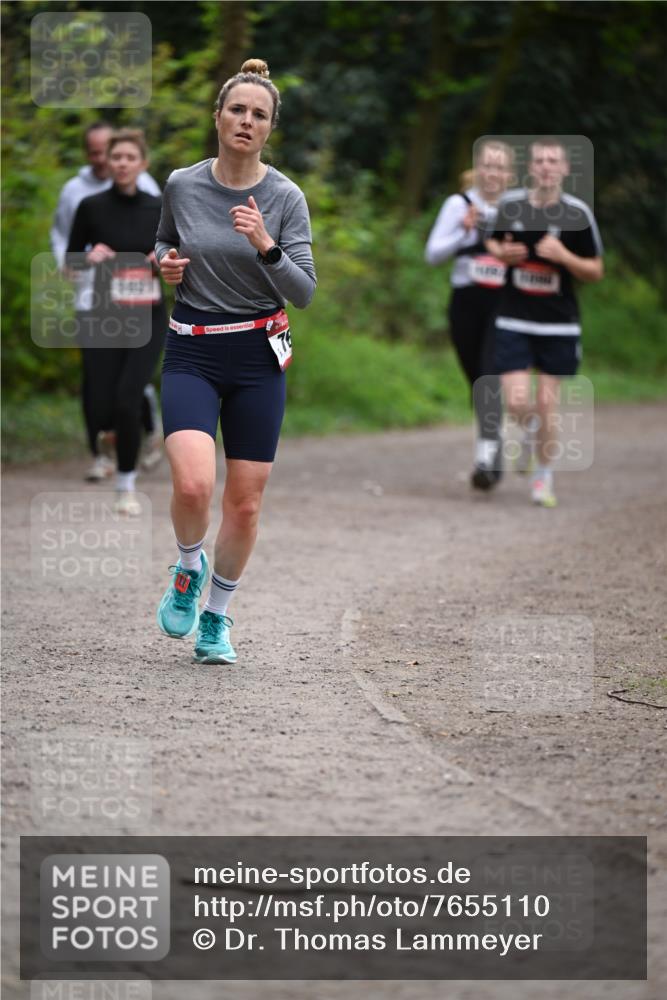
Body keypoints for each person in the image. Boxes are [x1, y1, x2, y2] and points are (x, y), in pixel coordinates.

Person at [154, 58, 316, 665]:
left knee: (244, 503)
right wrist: (164, 263)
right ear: (218, 116)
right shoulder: (182, 184)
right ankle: (188, 565)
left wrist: (265, 246)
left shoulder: (284, 197)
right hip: (192, 347)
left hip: (256, 354)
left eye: (259, 115)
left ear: (271, 128)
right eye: (237, 110)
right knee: (194, 484)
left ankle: (217, 620)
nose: (246, 121)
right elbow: (164, 241)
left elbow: (303, 290)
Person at [485, 137, 603, 507]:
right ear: (531, 168)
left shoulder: (578, 214)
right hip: (514, 318)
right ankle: (534, 431)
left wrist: (564, 256)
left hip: (559, 324)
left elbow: (596, 271)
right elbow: (490, 242)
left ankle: (542, 478)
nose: (547, 166)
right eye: (540, 161)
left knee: (547, 405)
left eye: (554, 161)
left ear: (565, 169)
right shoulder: (511, 204)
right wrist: (503, 253)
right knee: (518, 402)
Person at [50, 122, 163, 481]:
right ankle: (113, 449)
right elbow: (69, 265)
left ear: (143, 163)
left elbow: (181, 259)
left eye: (130, 157)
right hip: (103, 313)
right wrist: (88, 257)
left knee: (127, 396)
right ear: (107, 163)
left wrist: (163, 261)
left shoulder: (160, 207)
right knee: (101, 400)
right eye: (116, 157)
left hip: (148, 313)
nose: (123, 163)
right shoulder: (90, 206)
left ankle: (126, 482)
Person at [425, 141, 514, 490]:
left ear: (510, 175)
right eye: (487, 166)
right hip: (466, 302)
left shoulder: (517, 208)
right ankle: (494, 446)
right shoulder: (457, 204)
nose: (492, 174)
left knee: (489, 377)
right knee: (477, 378)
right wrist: (464, 229)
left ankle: (484, 458)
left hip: (505, 303)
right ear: (476, 170)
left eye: (500, 167)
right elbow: (433, 254)